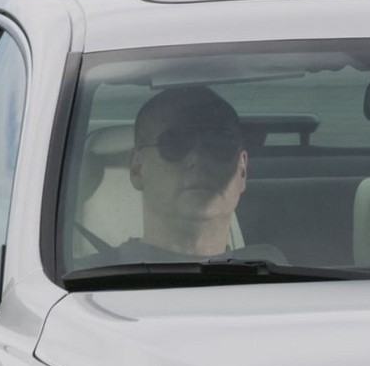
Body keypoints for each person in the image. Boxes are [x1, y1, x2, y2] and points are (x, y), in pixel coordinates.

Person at [113, 84, 280, 262]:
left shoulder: (281, 280)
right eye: (175, 143)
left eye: (219, 143)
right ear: (137, 170)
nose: (200, 158)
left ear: (242, 171)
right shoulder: (89, 283)